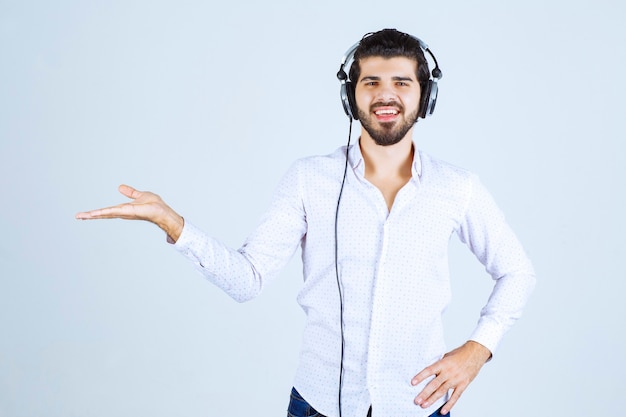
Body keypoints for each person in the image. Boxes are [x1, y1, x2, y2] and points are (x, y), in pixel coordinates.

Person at [76, 29, 535, 417]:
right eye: (371, 82)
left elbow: (517, 272)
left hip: (417, 405)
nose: (385, 94)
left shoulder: (458, 187)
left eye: (401, 82)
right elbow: (247, 279)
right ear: (350, 96)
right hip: (318, 404)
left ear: (425, 95)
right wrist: (170, 221)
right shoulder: (308, 179)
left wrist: (478, 350)